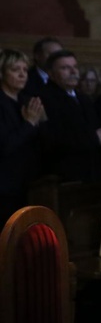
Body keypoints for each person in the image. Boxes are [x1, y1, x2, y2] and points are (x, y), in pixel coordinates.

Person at [39, 50, 101, 182]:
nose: (73, 72)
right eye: (65, 68)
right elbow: (53, 138)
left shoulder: (83, 98)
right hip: (64, 176)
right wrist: (95, 138)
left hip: (91, 174)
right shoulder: (44, 99)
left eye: (74, 67)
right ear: (50, 74)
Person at [0, 49, 46, 224]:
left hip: (27, 182)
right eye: (15, 69)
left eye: (25, 70)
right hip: (4, 186)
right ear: (2, 73)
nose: (22, 74)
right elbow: (5, 146)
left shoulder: (26, 101)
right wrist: (29, 124)